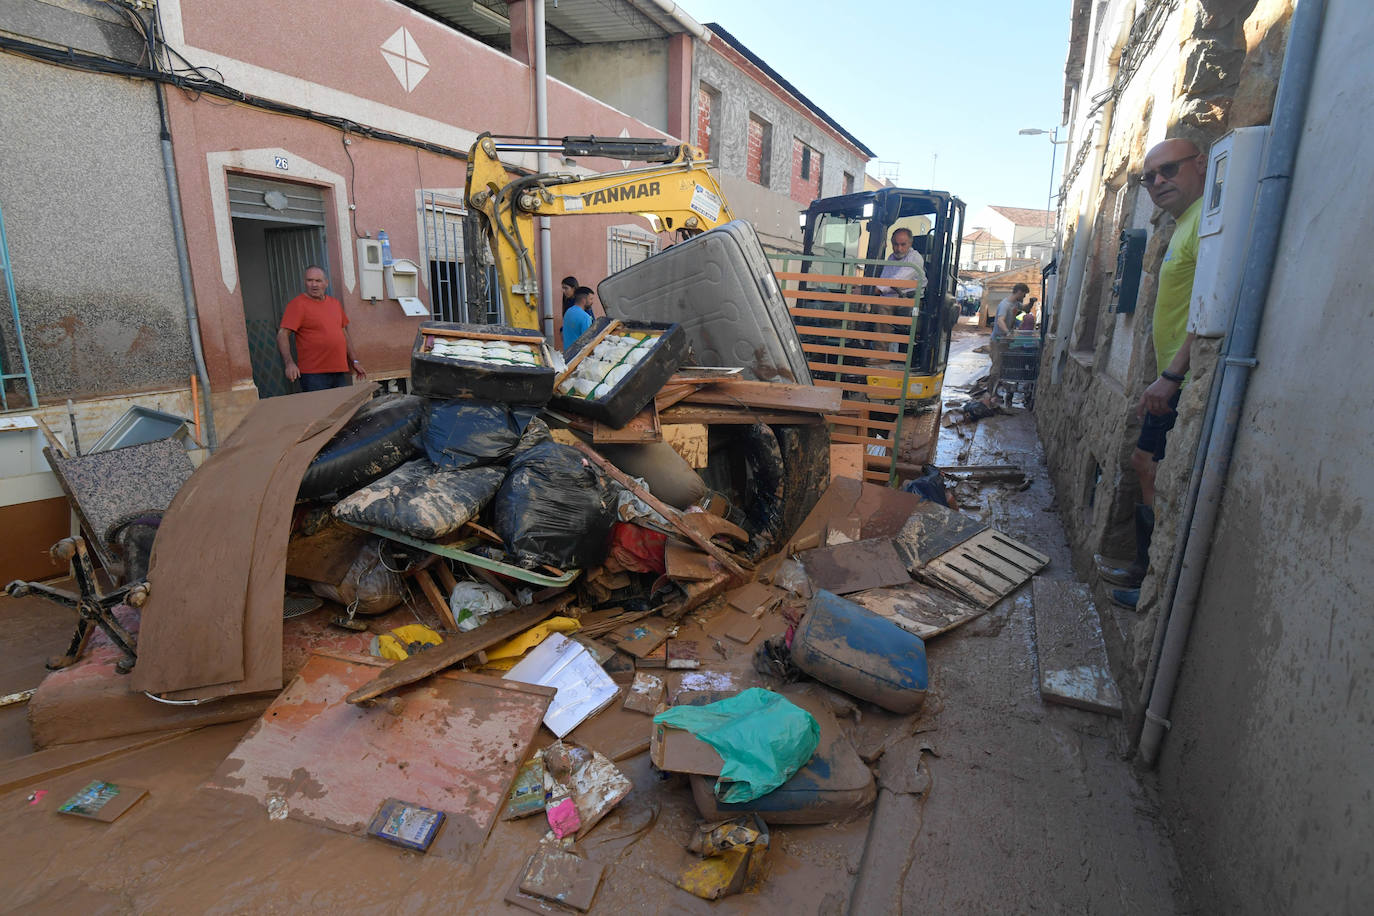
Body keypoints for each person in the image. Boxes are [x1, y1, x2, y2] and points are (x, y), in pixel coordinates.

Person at [1097, 138, 1207, 608]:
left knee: (1151, 466)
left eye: (1169, 170)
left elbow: (1209, 309)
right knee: (1146, 463)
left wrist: (1173, 375)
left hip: (1182, 381)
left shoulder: (1205, 223)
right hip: (1171, 379)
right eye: (1149, 177)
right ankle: (1144, 569)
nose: (1158, 182)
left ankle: (1149, 578)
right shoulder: (1185, 224)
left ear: (1200, 164)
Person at [277, 265, 365, 392]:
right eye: (310, 280)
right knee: (320, 405)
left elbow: (343, 334)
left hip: (338, 371)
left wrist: (355, 361)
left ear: (326, 283)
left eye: (318, 281)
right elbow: (282, 334)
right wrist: (289, 363)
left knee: (342, 404)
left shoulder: (335, 304)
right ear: (305, 282)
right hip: (313, 374)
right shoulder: (297, 304)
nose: (314, 285)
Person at [872, 228, 927, 352]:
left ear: (910, 244)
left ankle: (881, 353)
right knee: (864, 306)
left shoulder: (915, 258)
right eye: (896, 244)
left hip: (910, 297)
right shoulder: (891, 258)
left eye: (903, 244)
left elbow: (898, 280)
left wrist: (874, 290)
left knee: (883, 306)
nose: (899, 248)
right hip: (892, 295)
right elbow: (884, 279)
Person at [988, 282, 1029, 396]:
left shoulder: (1015, 304)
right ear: (1019, 292)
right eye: (1024, 294)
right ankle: (990, 394)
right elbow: (1000, 321)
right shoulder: (1005, 305)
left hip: (1005, 341)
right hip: (998, 341)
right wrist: (1007, 332)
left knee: (1003, 367)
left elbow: (1025, 309)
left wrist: (1031, 303)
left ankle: (996, 392)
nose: (1024, 297)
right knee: (996, 369)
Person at [562, 286, 594, 354]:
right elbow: (587, 341)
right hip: (579, 356)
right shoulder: (585, 317)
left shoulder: (568, 312)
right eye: (591, 299)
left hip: (567, 354)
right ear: (583, 300)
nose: (592, 302)